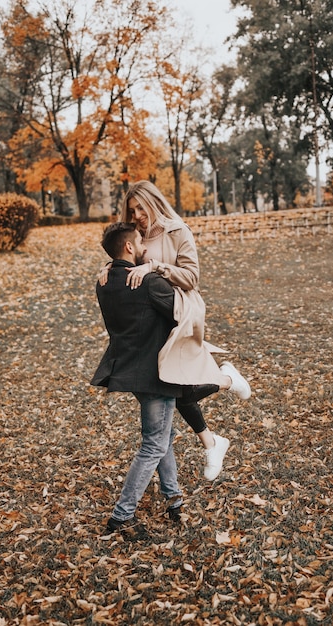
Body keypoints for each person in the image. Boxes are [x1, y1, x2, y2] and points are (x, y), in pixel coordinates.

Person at [99, 180, 251, 480]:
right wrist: (110, 265)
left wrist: (155, 267)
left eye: (142, 207)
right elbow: (126, 254)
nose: (138, 215)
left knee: (166, 387)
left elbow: (192, 277)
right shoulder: (136, 234)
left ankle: (226, 382)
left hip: (180, 308)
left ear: (155, 201)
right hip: (152, 315)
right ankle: (212, 437)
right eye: (133, 210)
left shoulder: (177, 230)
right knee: (163, 387)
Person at [91, 222, 185, 534]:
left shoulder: (103, 282)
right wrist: (159, 272)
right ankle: (121, 516)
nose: (145, 245)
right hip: (155, 372)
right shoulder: (148, 282)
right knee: (154, 443)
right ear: (130, 247)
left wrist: (112, 265)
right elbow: (180, 313)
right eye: (140, 241)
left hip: (128, 368)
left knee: (162, 437)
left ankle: (174, 499)